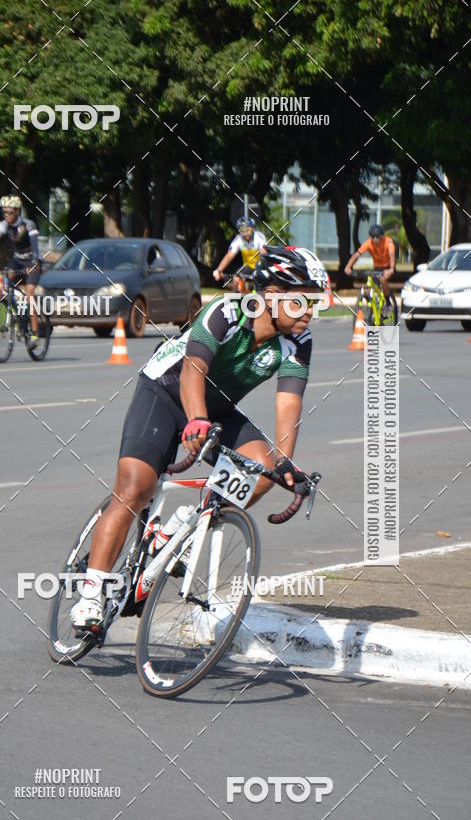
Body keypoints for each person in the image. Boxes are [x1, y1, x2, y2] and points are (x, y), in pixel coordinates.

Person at [71, 246, 329, 630]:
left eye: (315, 302)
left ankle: (181, 529)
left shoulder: (299, 341)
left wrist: (285, 461)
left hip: (217, 409)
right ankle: (91, 595)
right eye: (303, 300)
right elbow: (193, 370)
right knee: (135, 489)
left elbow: (289, 402)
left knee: (262, 472)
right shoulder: (227, 311)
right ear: (272, 295)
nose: (310, 311)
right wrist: (196, 421)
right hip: (166, 392)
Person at [0, 195, 42, 346]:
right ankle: (16, 313)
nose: (6, 216)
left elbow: (35, 247)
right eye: (4, 212)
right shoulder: (2, 226)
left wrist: (35, 263)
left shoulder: (28, 225)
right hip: (17, 259)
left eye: (9, 212)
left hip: (32, 259)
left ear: (17, 212)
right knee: (6, 280)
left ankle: (35, 332)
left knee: (30, 293)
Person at [213, 216, 267, 291]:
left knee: (260, 284)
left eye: (247, 230)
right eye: (242, 231)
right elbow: (229, 255)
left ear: (252, 229)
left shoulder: (259, 237)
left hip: (260, 265)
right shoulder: (238, 239)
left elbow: (264, 253)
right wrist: (219, 270)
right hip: (247, 266)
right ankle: (237, 300)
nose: (245, 233)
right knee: (236, 279)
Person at [344, 224, 396, 297]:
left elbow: (392, 254)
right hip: (377, 267)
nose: (375, 239)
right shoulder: (368, 243)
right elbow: (357, 254)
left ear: (381, 236)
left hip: (388, 266)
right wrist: (348, 267)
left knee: (383, 279)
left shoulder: (388, 241)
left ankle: (387, 301)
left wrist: (391, 268)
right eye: (373, 237)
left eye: (377, 237)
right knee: (371, 283)